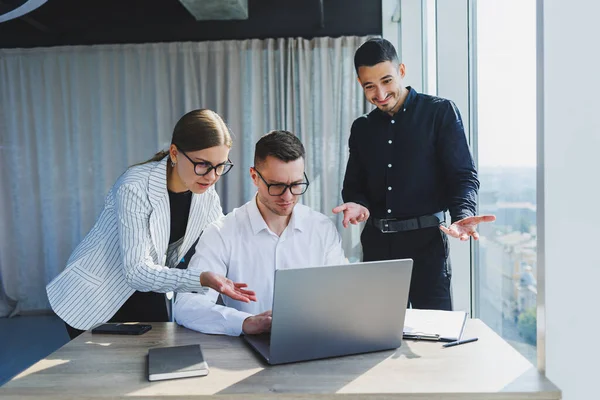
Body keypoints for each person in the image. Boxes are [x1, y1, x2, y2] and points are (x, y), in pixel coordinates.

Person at [47, 109, 256, 339]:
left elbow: (222, 238)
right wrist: (201, 278)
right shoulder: (134, 185)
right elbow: (137, 271)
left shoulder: (205, 192)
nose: (212, 176)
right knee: (108, 374)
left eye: (220, 166)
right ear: (175, 153)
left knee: (156, 366)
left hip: (148, 290)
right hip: (94, 298)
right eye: (203, 164)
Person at [333, 38, 495, 311]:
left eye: (386, 80)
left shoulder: (440, 112)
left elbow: (463, 175)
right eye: (369, 86)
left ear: (402, 71)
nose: (380, 93)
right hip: (377, 249)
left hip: (427, 248)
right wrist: (357, 202)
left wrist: (463, 213)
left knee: (434, 339)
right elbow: (354, 186)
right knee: (376, 334)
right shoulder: (361, 128)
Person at [174, 130, 347, 336]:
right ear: (255, 177)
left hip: (316, 342)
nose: (288, 196)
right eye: (277, 186)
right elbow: (187, 305)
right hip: (249, 354)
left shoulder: (322, 228)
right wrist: (245, 322)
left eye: (296, 185)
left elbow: (344, 293)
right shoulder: (222, 232)